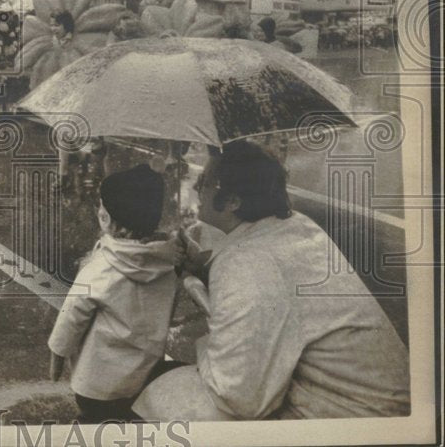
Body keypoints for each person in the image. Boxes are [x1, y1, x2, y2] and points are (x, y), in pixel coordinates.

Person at [138, 140, 410, 420]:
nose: (196, 187)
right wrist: (204, 271)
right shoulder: (294, 225)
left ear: (232, 201)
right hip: (378, 401)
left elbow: (236, 397)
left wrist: (205, 344)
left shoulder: (246, 261)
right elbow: (272, 287)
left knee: (162, 397)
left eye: (205, 181)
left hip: (350, 417)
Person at [48, 165, 184, 424]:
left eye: (101, 206)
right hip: (143, 376)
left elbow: (71, 317)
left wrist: (57, 355)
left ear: (106, 219)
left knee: (95, 423)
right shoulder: (167, 262)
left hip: (97, 387)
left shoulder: (100, 268)